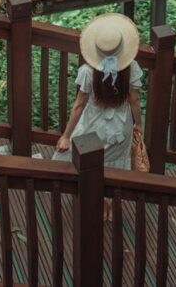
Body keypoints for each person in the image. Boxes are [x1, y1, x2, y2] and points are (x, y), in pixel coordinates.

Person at [53, 12, 143, 217]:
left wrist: (66, 136)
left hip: (93, 127)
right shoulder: (132, 68)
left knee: (83, 159)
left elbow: (79, 105)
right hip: (121, 128)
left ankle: (94, 198)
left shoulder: (88, 71)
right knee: (115, 163)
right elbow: (134, 101)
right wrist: (139, 125)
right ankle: (108, 202)